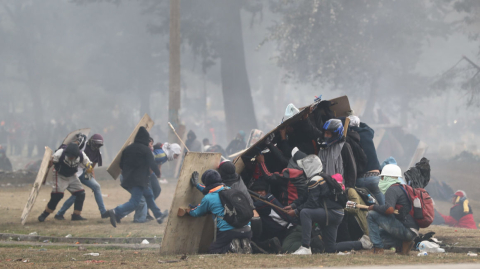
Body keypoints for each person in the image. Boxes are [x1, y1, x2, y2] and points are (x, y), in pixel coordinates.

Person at [286, 155, 370, 254]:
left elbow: (312, 203)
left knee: (305, 212)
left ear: (309, 168)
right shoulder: (322, 177)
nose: (302, 171)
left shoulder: (315, 180)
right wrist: (293, 205)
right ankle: (362, 243)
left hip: (332, 212)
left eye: (303, 169)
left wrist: (296, 211)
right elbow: (305, 196)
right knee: (331, 248)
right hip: (337, 213)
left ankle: (305, 247)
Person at [106, 127, 168, 227]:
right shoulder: (146, 150)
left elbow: (121, 165)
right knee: (135, 202)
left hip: (130, 179)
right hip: (139, 180)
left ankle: (159, 216)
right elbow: (152, 163)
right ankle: (115, 211)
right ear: (145, 139)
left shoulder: (127, 149)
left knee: (149, 196)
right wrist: (158, 173)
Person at [188, 170, 252, 254]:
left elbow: (196, 212)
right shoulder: (231, 190)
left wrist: (189, 210)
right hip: (247, 229)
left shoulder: (208, 198)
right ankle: (243, 245)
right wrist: (197, 185)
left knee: (213, 251)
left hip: (228, 232)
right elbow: (213, 190)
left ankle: (231, 246)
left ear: (206, 182)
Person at [366, 164, 418, 255]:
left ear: (387, 178)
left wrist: (374, 207)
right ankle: (402, 245)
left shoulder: (392, 189)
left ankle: (378, 248)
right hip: (412, 230)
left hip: (406, 230)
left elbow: (389, 209)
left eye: (382, 178)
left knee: (371, 214)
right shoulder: (402, 188)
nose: (380, 180)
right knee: (379, 235)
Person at [54, 134, 108, 220]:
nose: (97, 147)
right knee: (78, 194)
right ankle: (60, 213)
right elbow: (69, 149)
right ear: (91, 141)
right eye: (96, 144)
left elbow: (92, 165)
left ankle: (103, 212)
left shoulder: (98, 152)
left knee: (96, 186)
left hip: (84, 171)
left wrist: (90, 177)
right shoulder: (82, 145)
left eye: (99, 145)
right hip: (73, 170)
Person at [38, 143, 93, 222]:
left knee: (81, 194)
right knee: (57, 196)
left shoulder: (81, 155)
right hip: (60, 175)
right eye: (69, 155)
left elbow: (89, 165)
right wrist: (49, 164)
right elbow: (49, 163)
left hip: (72, 176)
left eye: (72, 156)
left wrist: (88, 174)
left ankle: (76, 215)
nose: (70, 157)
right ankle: (44, 214)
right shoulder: (60, 153)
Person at [250, 179, 294, 253]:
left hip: (286, 230)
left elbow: (249, 207)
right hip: (281, 229)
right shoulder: (268, 198)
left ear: (266, 191)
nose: (259, 192)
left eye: (262, 190)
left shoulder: (266, 201)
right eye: (256, 190)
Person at [350, 116, 385, 205]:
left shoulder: (348, 138)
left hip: (359, 181)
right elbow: (369, 128)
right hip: (374, 178)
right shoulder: (366, 133)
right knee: (384, 208)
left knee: (368, 211)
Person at [318, 119, 357, 187]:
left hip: (340, 188)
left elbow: (351, 170)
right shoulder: (322, 148)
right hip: (325, 188)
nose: (326, 136)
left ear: (336, 134)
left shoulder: (344, 147)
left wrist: (348, 188)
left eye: (328, 134)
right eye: (325, 133)